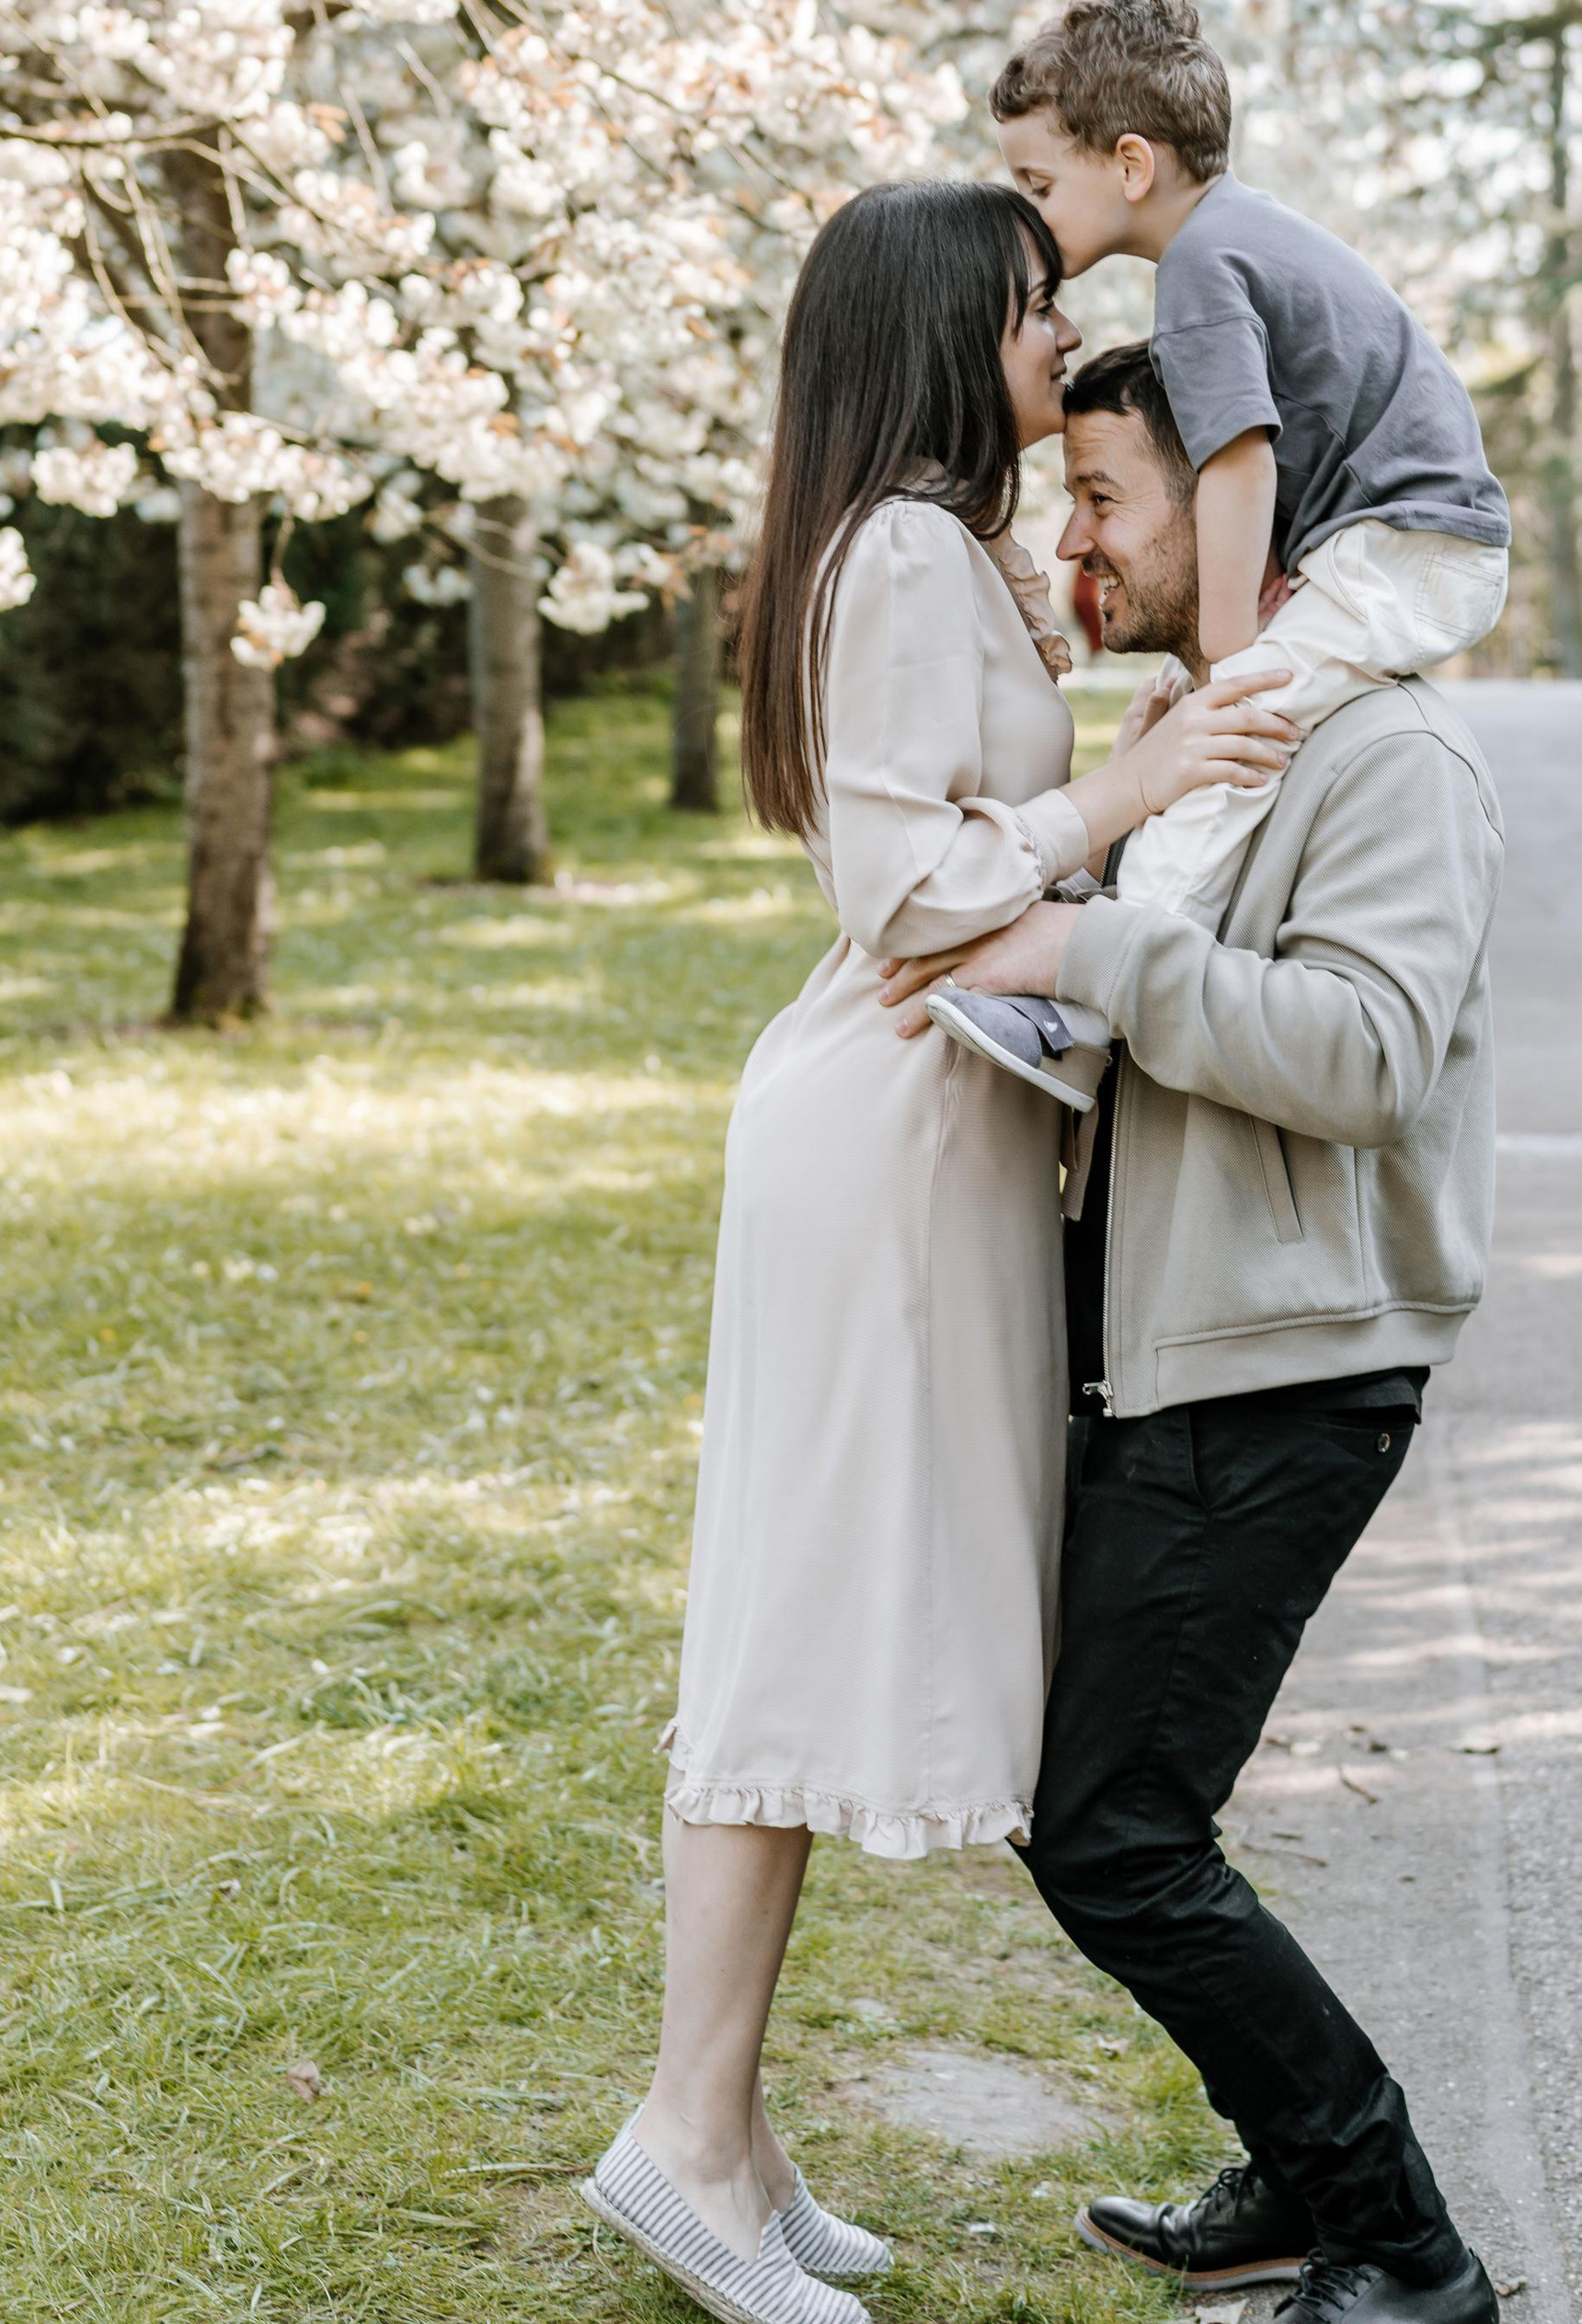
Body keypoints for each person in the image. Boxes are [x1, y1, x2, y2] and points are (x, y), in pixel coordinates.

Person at [582, 189, 1294, 2324]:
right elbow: (903, 888)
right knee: (790, 1623)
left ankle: (727, 2128)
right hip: (884, 1139)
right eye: (1020, 311)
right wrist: (1131, 783)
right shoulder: (894, 544)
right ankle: (685, 2140)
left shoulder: (918, 544)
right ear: (933, 333)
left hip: (931, 1130)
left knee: (797, 1613)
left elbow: (954, 871)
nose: (1047, 340)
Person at [879, 336, 1508, 2324]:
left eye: (1099, 496)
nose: (1074, 537)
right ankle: (1295, 2172)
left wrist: (1101, 951)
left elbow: (1367, 1051)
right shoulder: (1210, 737)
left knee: (1114, 1833)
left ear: (1230, 504)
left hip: (1281, 1366)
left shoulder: (1386, 753)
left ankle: (1399, 2241)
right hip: (1176, 1345)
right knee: (1131, 1811)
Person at [926, 0, 1510, 1111]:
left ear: (1132, 165)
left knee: (1228, 744)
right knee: (1220, 728)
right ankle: (1116, 959)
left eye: (1039, 188)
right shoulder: (1241, 235)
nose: (1031, 222)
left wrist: (1232, 661)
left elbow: (1240, 461)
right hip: (1403, 540)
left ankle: (1081, 1003)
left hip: (1411, 543)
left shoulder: (1199, 267)